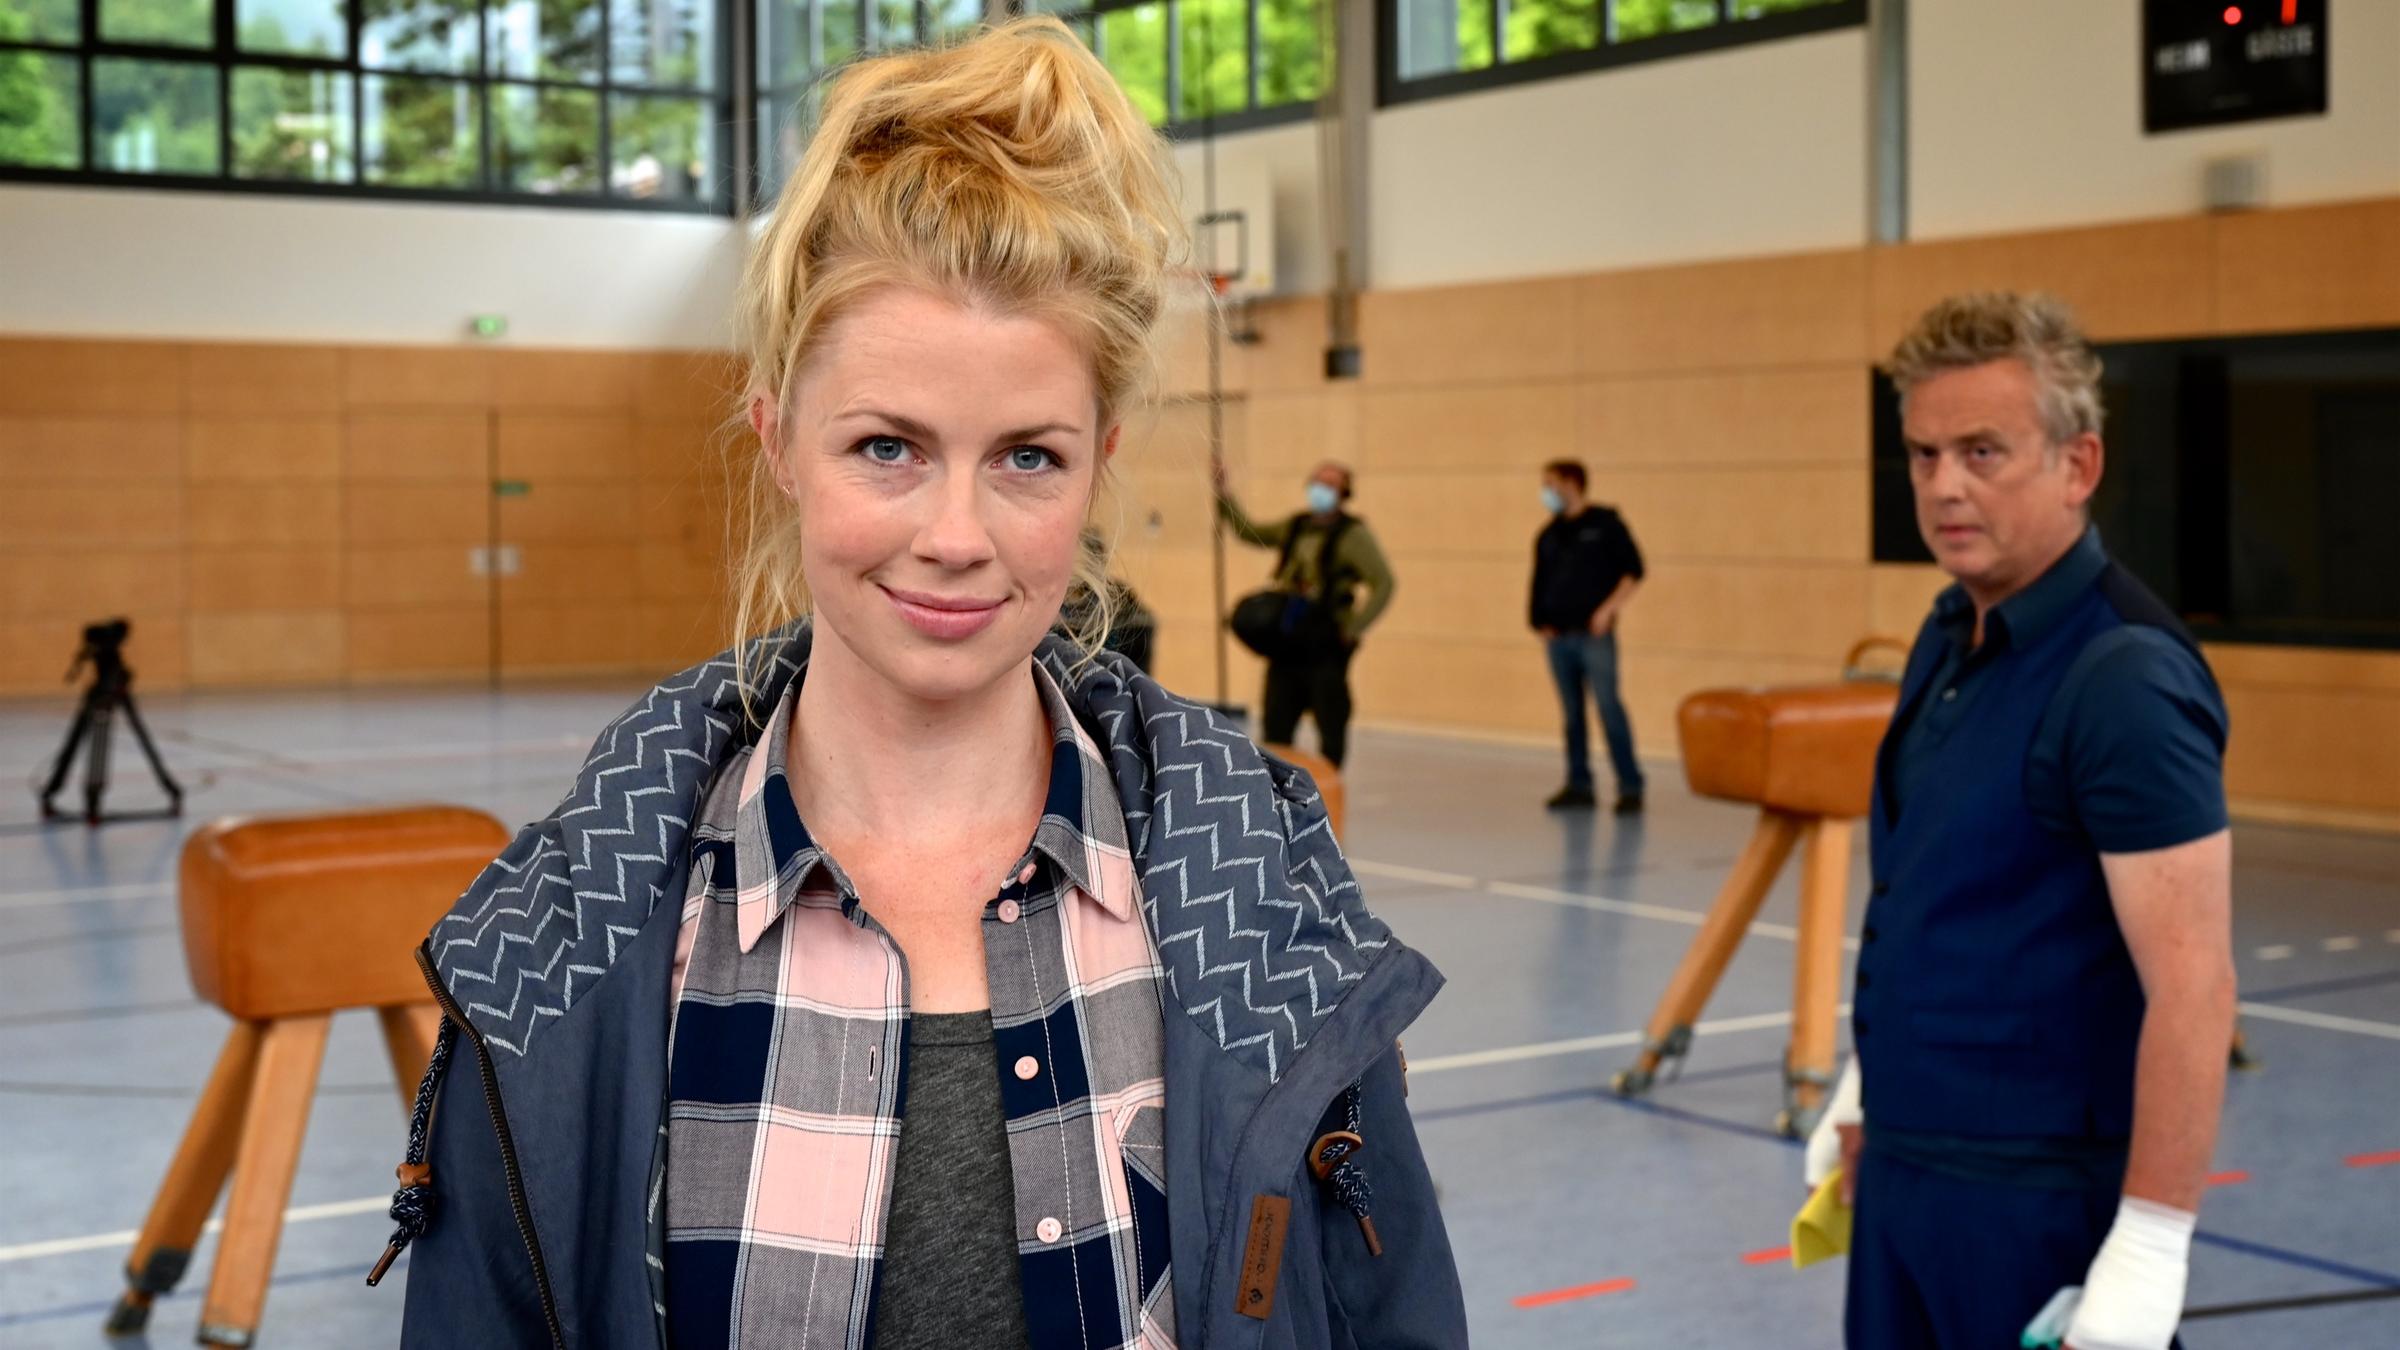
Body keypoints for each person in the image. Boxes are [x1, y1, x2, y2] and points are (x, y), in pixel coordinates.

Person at [378, 20, 1465, 1349]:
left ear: (1101, 458)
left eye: (1028, 458)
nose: (957, 534)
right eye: (887, 446)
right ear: (778, 437)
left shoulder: (1261, 897)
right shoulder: (572, 946)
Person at [1806, 293, 2235, 1350]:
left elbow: (2194, 982)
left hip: (2038, 1201)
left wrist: (2150, 1243)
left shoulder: (2124, 679)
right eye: (1923, 453)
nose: (1945, 485)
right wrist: (1873, 1091)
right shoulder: (1949, 631)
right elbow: (1934, 890)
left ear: (2077, 465)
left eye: (1983, 452)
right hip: (1908, 1175)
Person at [1212, 459, 1395, 768]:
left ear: (1344, 492)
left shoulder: (1352, 536)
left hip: (1324, 646)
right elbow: (1250, 532)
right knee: (1276, 726)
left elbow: (1384, 582)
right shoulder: (1297, 526)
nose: (1321, 490)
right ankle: (1278, 795)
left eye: (1330, 484)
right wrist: (1224, 495)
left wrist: (1354, 627)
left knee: (1331, 724)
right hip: (1289, 642)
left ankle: (1328, 793)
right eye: (1317, 482)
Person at [1528, 459, 1646, 813]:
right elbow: (1539, 583)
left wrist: (1608, 610)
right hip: (1559, 638)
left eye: (1550, 483)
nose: (1545, 491)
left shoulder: (1605, 525)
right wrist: (1540, 621)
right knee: (1572, 714)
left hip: (1594, 636)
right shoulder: (1549, 534)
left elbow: (1634, 571)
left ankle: (1629, 785)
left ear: (1570, 482)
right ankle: (1579, 783)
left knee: (1609, 708)